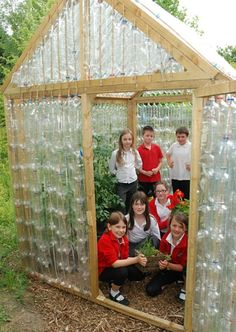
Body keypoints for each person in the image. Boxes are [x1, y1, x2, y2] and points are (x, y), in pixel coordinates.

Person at [98, 211, 147, 306]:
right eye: (117, 227)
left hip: (116, 263)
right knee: (122, 272)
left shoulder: (124, 238)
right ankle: (114, 292)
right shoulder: (105, 240)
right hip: (103, 270)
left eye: (124, 227)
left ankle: (114, 281)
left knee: (138, 275)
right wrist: (136, 260)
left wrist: (139, 259)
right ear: (109, 226)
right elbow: (114, 263)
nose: (121, 230)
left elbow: (124, 257)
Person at [146, 211, 188, 301]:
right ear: (169, 225)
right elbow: (162, 256)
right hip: (169, 269)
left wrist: (168, 265)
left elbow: (183, 267)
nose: (176, 229)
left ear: (186, 228)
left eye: (181, 227)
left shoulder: (187, 242)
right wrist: (161, 264)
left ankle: (184, 288)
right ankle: (172, 281)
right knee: (151, 290)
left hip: (182, 270)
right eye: (174, 226)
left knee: (187, 271)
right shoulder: (165, 238)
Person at [109, 128, 142, 213]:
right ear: (121, 140)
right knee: (121, 205)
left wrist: (133, 170)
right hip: (121, 183)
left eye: (129, 139)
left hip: (133, 182)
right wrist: (118, 174)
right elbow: (111, 169)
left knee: (131, 203)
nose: (127, 141)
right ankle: (122, 223)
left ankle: (130, 221)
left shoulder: (135, 152)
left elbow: (139, 164)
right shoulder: (115, 153)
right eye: (125, 139)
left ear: (132, 140)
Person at [126, 191, 161, 256]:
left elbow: (157, 238)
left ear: (146, 205)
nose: (139, 207)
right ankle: (135, 256)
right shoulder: (127, 219)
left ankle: (141, 255)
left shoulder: (151, 220)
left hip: (145, 245)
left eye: (142, 204)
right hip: (131, 246)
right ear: (132, 206)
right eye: (136, 204)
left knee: (154, 238)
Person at [138, 125, 163, 198]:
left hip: (156, 178)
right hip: (143, 179)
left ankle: (157, 209)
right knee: (143, 198)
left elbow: (160, 161)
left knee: (157, 197)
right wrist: (144, 172)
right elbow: (136, 166)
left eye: (151, 136)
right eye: (147, 135)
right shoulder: (139, 150)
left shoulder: (156, 148)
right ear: (143, 136)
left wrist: (157, 169)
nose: (149, 137)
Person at [166, 126, 191, 199]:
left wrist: (192, 166)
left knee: (186, 198)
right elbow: (167, 154)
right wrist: (169, 161)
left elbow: (197, 159)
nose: (180, 139)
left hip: (187, 176)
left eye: (183, 137)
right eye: (178, 137)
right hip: (175, 175)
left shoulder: (191, 146)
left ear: (187, 136)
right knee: (177, 198)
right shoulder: (174, 145)